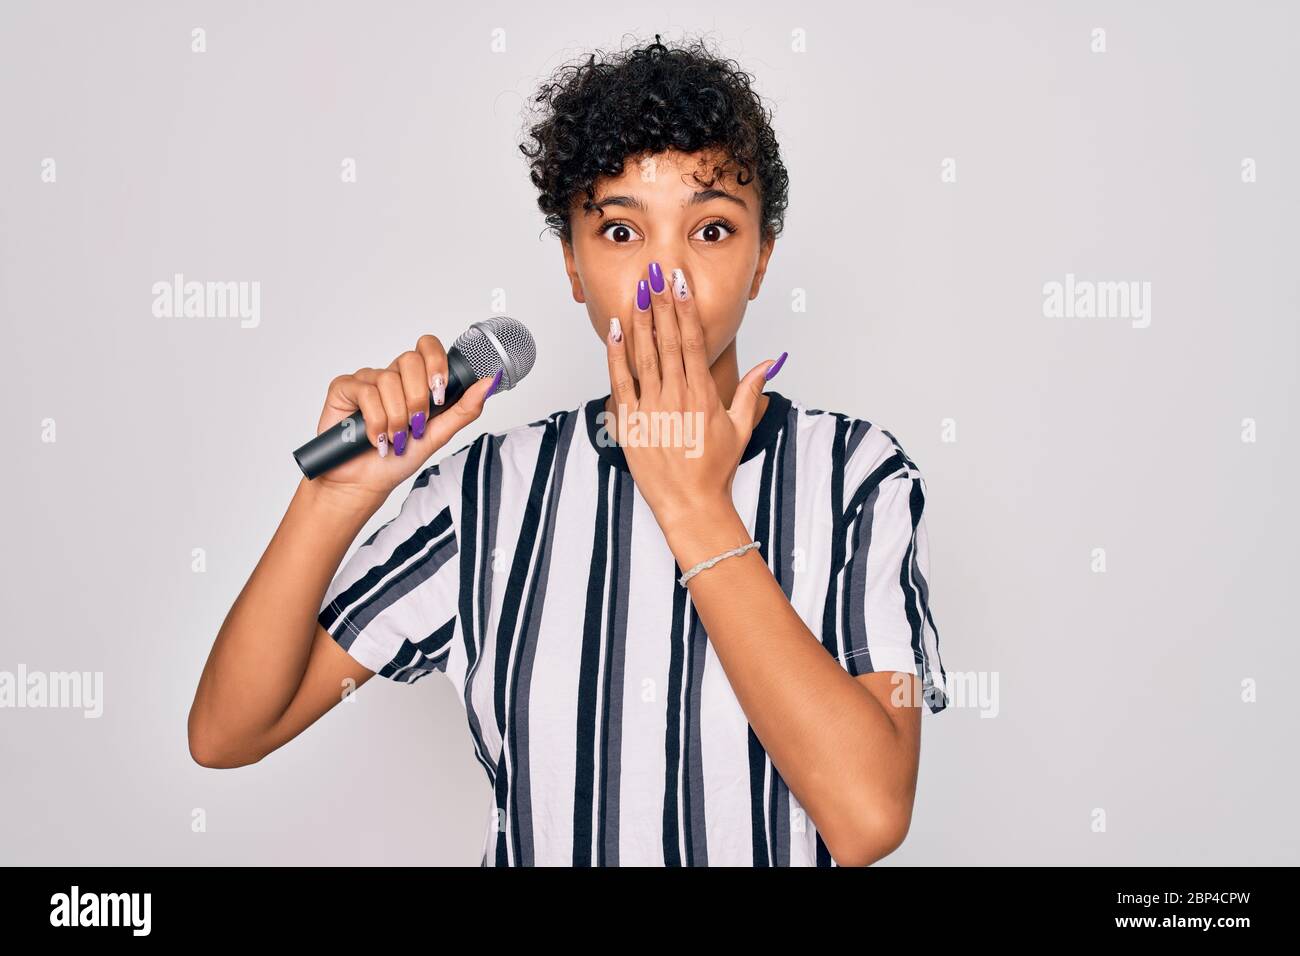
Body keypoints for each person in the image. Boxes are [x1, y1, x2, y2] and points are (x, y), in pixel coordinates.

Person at [189, 33, 949, 867]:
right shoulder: (485, 492)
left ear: (763, 257)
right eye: (622, 232)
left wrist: (692, 502)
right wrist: (333, 500)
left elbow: (869, 815)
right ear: (573, 266)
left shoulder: (853, 473)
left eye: (712, 230)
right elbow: (230, 732)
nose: (670, 277)